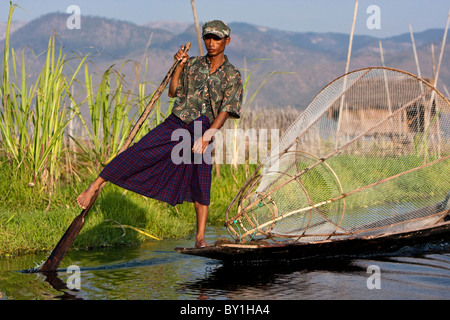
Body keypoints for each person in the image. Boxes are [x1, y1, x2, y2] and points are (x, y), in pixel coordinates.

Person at [76, 20, 243, 248]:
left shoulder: (232, 75)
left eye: (217, 38)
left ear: (227, 41)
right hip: (177, 122)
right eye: (208, 38)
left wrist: (206, 137)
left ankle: (200, 237)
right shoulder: (193, 64)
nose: (211, 43)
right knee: (139, 151)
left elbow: (226, 109)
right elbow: (173, 92)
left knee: (201, 181)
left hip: (203, 128)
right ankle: (94, 185)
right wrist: (179, 67)